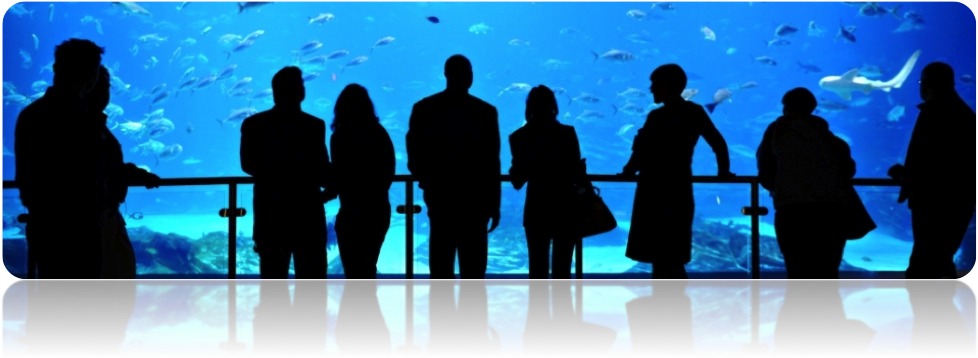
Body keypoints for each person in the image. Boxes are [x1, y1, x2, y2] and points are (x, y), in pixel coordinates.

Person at [17, 38, 104, 357]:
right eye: (86, 69)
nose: (89, 77)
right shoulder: (74, 117)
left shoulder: (33, 114)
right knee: (72, 307)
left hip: (50, 223)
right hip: (72, 226)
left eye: (91, 69)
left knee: (53, 301)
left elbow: (27, 179)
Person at [240, 67, 330, 354]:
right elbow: (322, 168)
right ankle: (309, 348)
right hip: (307, 213)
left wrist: (276, 175)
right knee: (312, 289)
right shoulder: (314, 125)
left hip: (271, 214)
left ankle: (270, 349)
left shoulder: (253, 124)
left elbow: (248, 165)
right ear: (300, 92)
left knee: (273, 287)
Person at [620, 64, 733, 279]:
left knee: (656, 253)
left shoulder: (657, 116)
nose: (651, 89)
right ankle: (675, 303)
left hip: (652, 190)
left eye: (655, 84)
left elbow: (641, 152)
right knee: (674, 252)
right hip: (679, 188)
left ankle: (663, 304)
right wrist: (723, 172)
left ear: (668, 86)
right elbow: (718, 143)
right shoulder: (695, 112)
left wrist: (627, 171)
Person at [406, 55, 501, 280]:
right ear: (469, 76)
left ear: (446, 75)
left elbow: (413, 153)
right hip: (475, 202)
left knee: (440, 272)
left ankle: (441, 313)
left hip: (439, 199)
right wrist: (494, 204)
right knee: (474, 274)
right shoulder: (486, 112)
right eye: (468, 71)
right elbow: (492, 162)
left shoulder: (424, 108)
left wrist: (426, 180)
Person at [888, 62, 977, 279]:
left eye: (921, 82)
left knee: (927, 262)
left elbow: (932, 160)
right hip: (958, 199)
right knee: (940, 258)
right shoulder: (964, 113)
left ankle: (929, 307)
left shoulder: (937, 111)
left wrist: (908, 174)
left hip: (934, 200)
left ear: (927, 84)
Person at [757, 87, 855, 279]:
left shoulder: (776, 132)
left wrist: (779, 188)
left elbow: (764, 167)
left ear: (786, 107)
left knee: (797, 269)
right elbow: (848, 170)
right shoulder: (830, 138)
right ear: (813, 107)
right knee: (827, 272)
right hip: (831, 211)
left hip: (791, 209)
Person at [93, 64, 157, 356]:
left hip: (105, 218)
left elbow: (110, 169)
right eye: (105, 86)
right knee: (109, 294)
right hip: (94, 222)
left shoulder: (93, 124)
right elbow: (98, 171)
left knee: (118, 289)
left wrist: (136, 174)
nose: (107, 93)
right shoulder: (79, 124)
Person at [508, 85, 584, 280]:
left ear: (529, 107)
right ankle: (565, 309)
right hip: (566, 208)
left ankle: (537, 309)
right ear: (554, 105)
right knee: (563, 271)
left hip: (537, 209)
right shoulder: (568, 133)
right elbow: (576, 171)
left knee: (537, 270)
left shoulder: (519, 137)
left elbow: (517, 181)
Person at [327, 84, 395, 280]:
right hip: (378, 209)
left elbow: (339, 176)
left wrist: (320, 196)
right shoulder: (379, 133)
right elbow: (388, 170)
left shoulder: (339, 137)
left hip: (350, 212)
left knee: (353, 273)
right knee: (367, 266)